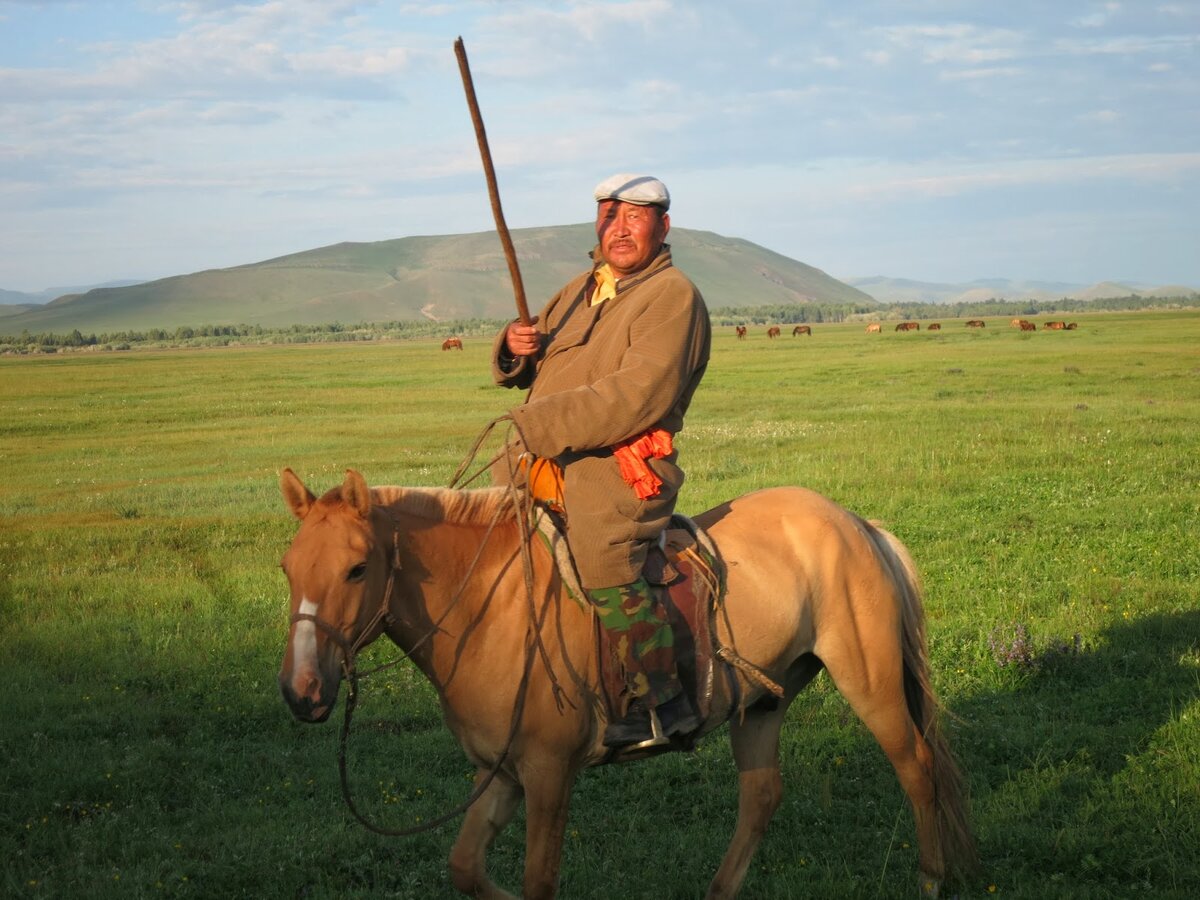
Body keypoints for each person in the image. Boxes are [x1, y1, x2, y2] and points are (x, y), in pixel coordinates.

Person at [491, 173, 712, 750]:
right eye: (611, 217)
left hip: (621, 462)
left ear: (662, 227)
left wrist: (540, 425)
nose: (620, 229)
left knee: (599, 549)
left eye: (636, 218)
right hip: (550, 454)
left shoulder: (673, 296)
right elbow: (539, 359)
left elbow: (639, 395)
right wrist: (515, 349)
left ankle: (663, 701)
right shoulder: (580, 289)